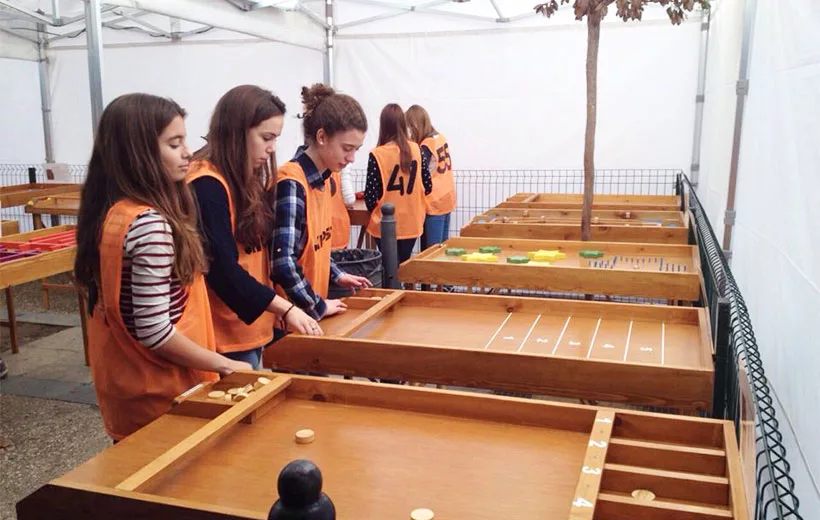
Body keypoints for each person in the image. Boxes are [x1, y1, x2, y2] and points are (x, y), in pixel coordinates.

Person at [74, 93, 250, 442]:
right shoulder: (150, 225)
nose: (188, 152)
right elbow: (154, 330)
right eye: (174, 143)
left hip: (127, 393)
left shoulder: (113, 214)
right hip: (163, 396)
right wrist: (223, 363)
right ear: (138, 154)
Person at [188, 85, 321, 371]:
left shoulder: (242, 175)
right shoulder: (207, 184)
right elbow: (222, 270)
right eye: (266, 137)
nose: (272, 148)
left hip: (249, 326)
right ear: (236, 132)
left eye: (275, 138)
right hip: (224, 332)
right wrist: (285, 307)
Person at [272, 84, 372, 321]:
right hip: (290, 318)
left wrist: (337, 275)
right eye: (347, 148)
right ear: (321, 137)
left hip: (307, 311)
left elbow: (313, 246)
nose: (351, 158)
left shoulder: (324, 179)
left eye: (356, 149)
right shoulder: (291, 182)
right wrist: (317, 306)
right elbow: (283, 262)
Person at [364, 103, 431, 263]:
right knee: (402, 263)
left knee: (389, 267)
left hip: (386, 224)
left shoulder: (377, 154)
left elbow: (370, 198)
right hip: (412, 221)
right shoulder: (417, 150)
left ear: (383, 126)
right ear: (403, 123)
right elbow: (427, 186)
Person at [406, 104, 456, 250]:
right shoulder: (440, 138)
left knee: (430, 251)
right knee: (442, 249)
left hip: (433, 203)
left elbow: (422, 174)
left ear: (414, 126)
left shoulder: (426, 146)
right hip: (447, 197)